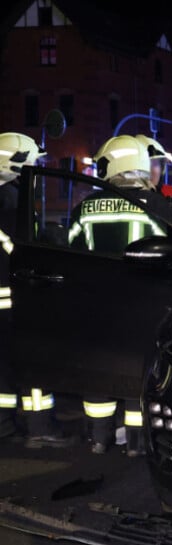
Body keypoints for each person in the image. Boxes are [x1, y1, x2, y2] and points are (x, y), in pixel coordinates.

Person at [68, 135, 172, 456]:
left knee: (98, 371)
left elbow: (69, 251)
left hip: (96, 305)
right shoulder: (157, 205)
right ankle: (136, 443)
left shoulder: (85, 207)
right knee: (138, 373)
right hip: (143, 305)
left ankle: (99, 439)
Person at [0, 132, 70, 448]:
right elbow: (24, 251)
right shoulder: (13, 201)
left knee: (3, 366)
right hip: (16, 298)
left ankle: (4, 425)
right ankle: (40, 426)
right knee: (34, 363)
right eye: (32, 165)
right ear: (15, 165)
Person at [135, 135, 172, 234]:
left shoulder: (170, 192)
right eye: (146, 164)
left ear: (161, 168)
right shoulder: (126, 195)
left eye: (155, 164)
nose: (151, 170)